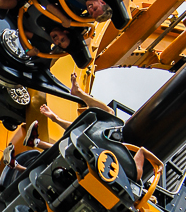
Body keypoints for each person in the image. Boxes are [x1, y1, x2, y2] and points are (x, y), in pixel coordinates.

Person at [20, 74, 163, 182]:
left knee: (109, 114)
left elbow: (142, 151)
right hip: (94, 153)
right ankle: (39, 140)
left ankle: (76, 95)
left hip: (97, 144)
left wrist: (159, 164)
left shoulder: (136, 172)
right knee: (74, 147)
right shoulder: (129, 177)